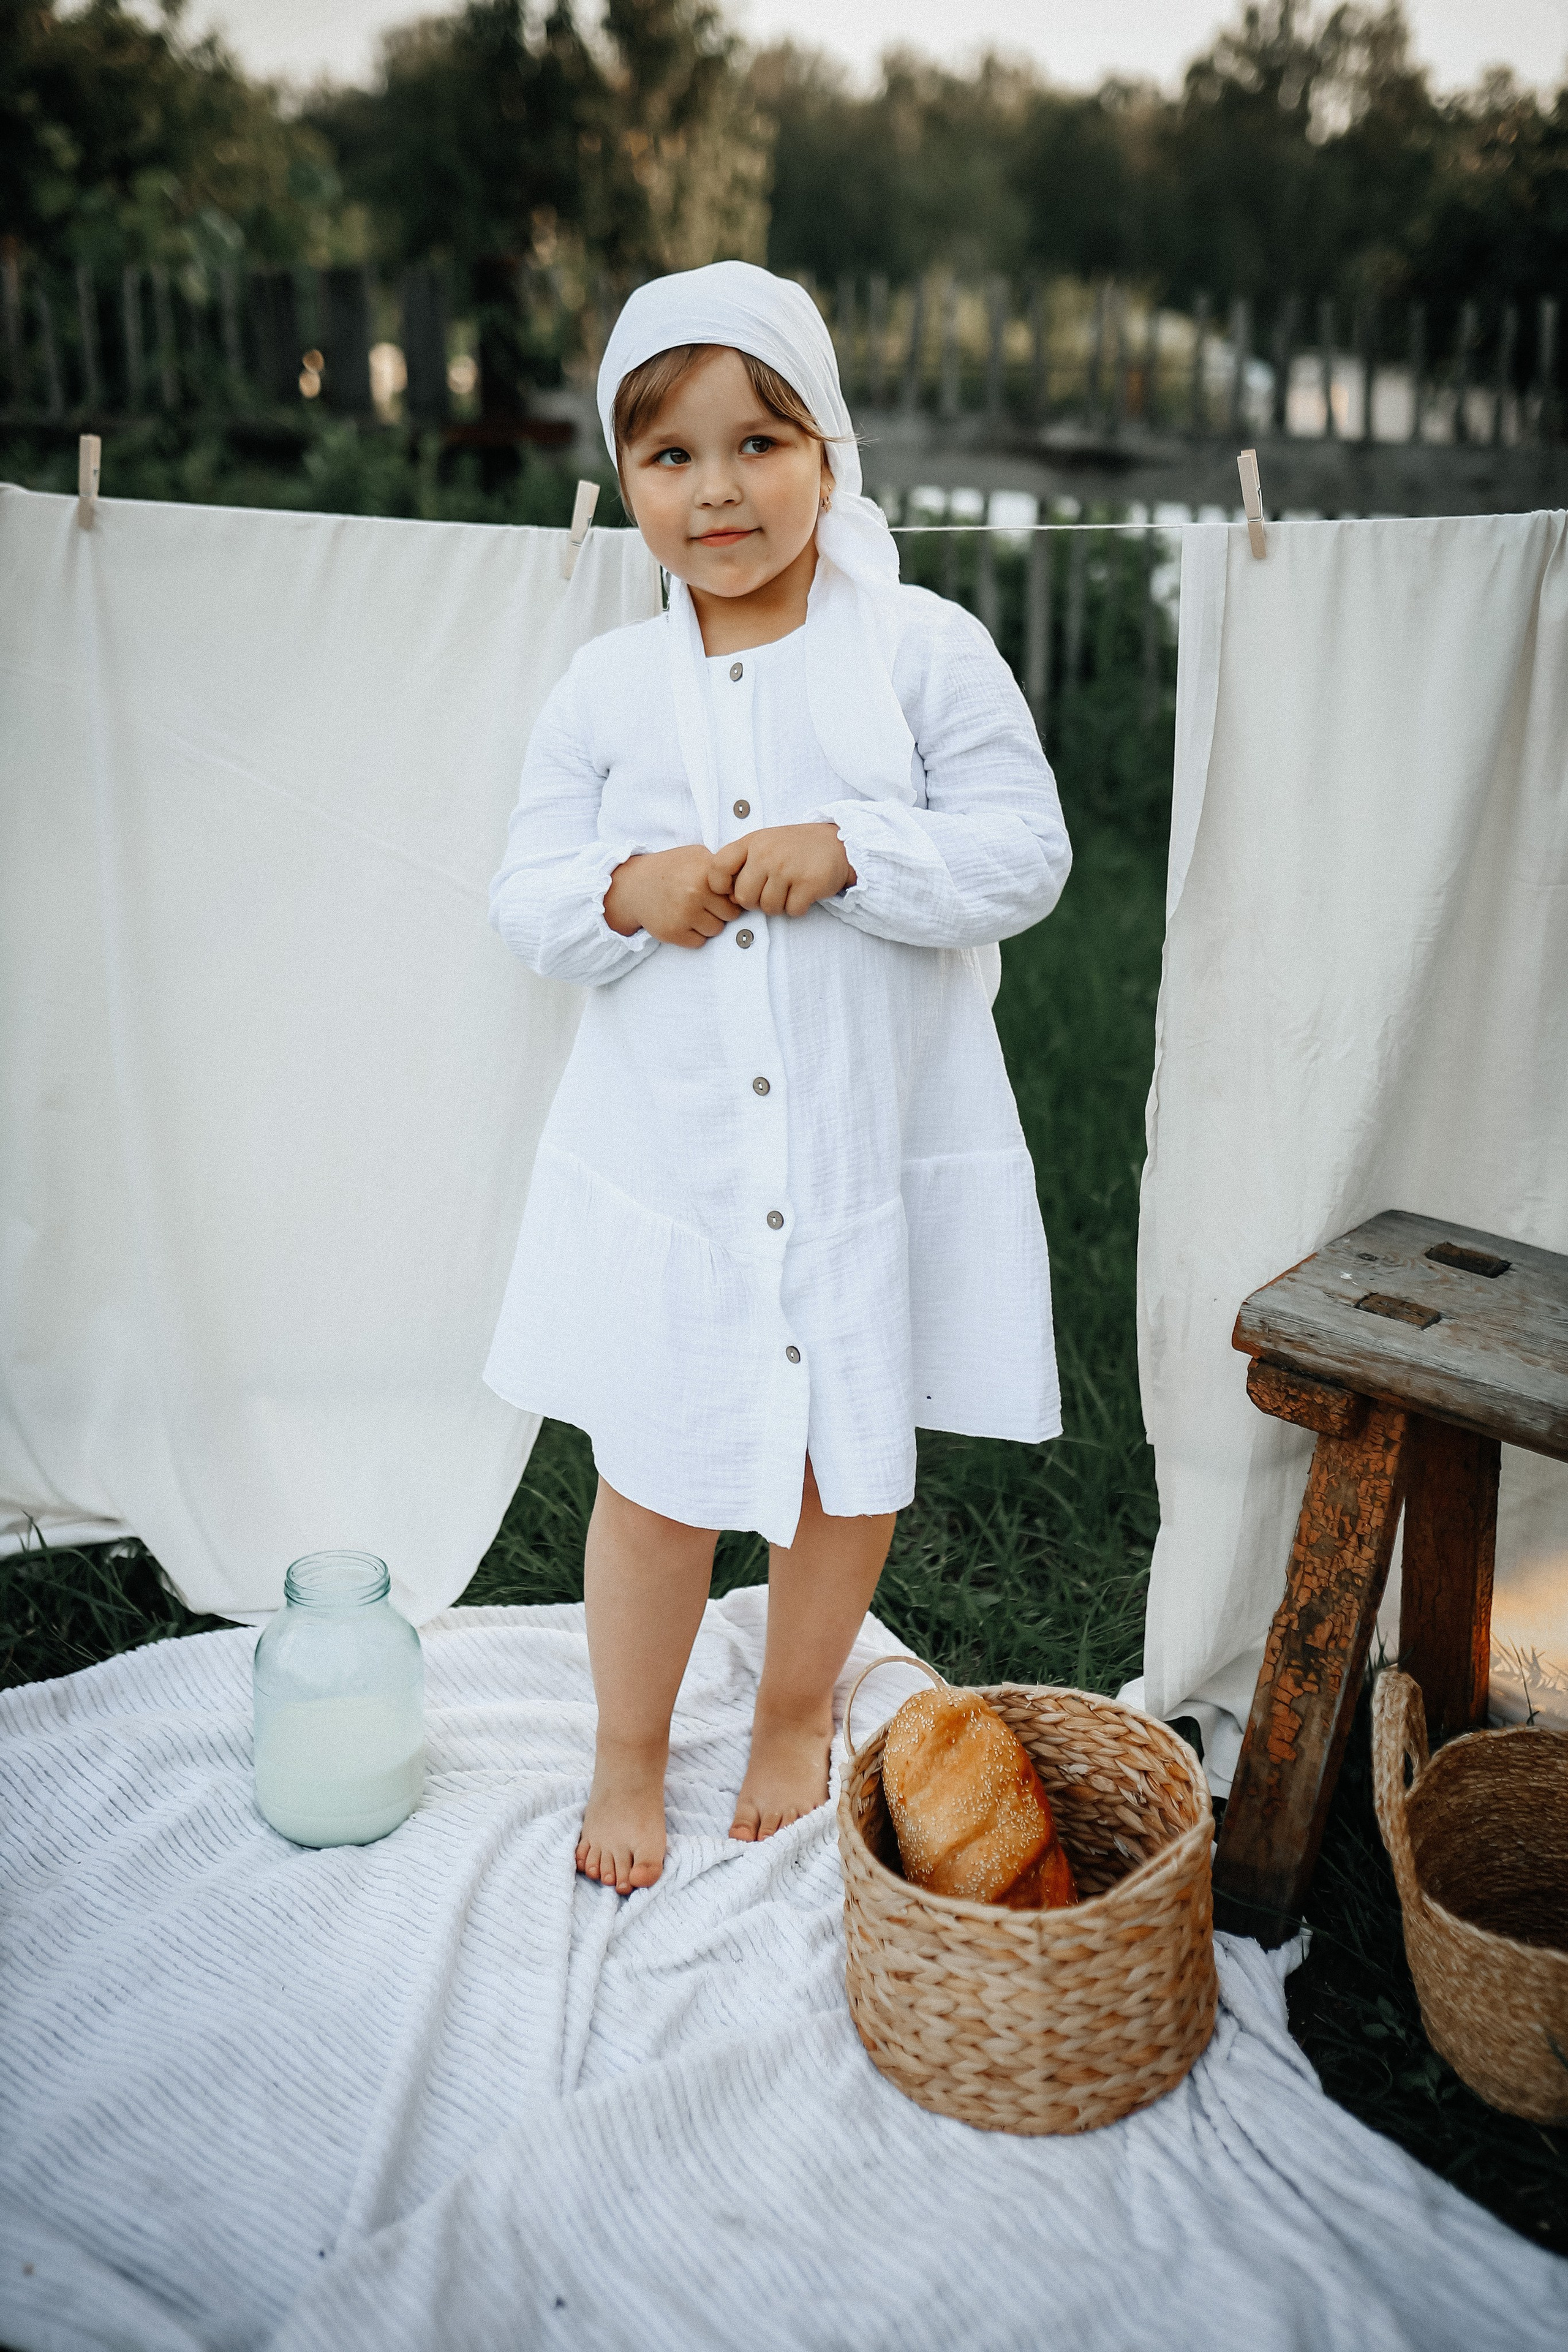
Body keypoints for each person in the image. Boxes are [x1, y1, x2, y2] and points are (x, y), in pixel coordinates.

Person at [485, 262, 1071, 1894]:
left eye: (759, 444)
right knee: (659, 1477)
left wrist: (860, 852)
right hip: (677, 1170)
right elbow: (523, 889)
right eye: (671, 457)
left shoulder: (917, 652)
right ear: (626, 482)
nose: (720, 489)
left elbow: (1021, 854)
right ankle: (625, 1748)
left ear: (830, 451)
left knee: (836, 1465)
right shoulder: (607, 688)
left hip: (859, 1156)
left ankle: (796, 1711)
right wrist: (626, 892)